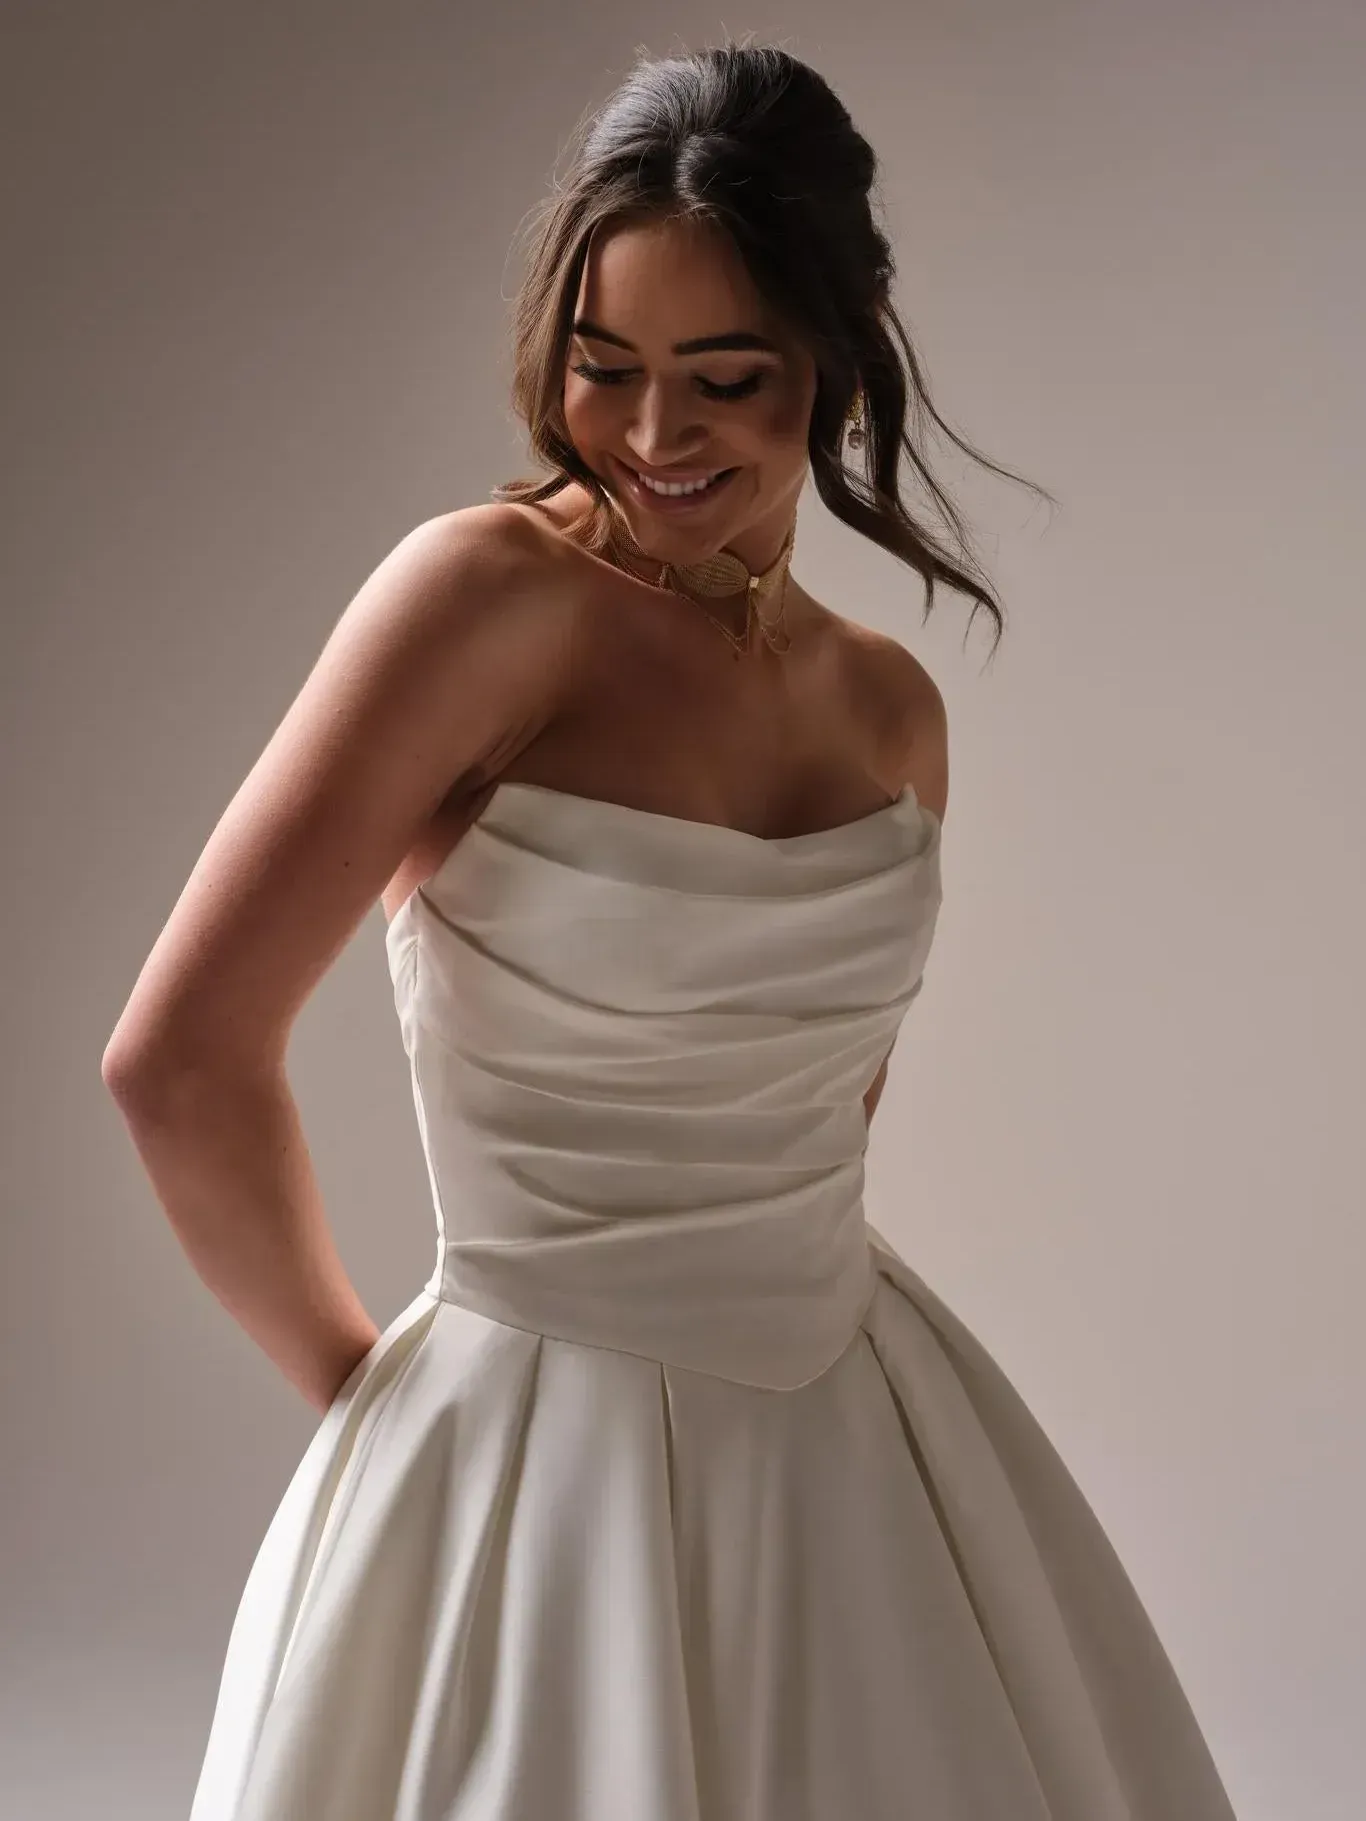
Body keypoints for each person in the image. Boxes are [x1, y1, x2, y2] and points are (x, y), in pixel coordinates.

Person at [103, 40, 1237, 1821]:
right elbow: (175, 1062)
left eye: (725, 378)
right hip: (520, 1462)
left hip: (866, 1448)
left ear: (840, 357)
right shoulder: (478, 600)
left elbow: (817, 1128)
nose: (649, 437)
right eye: (603, 369)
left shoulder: (889, 715)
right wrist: (377, 1408)